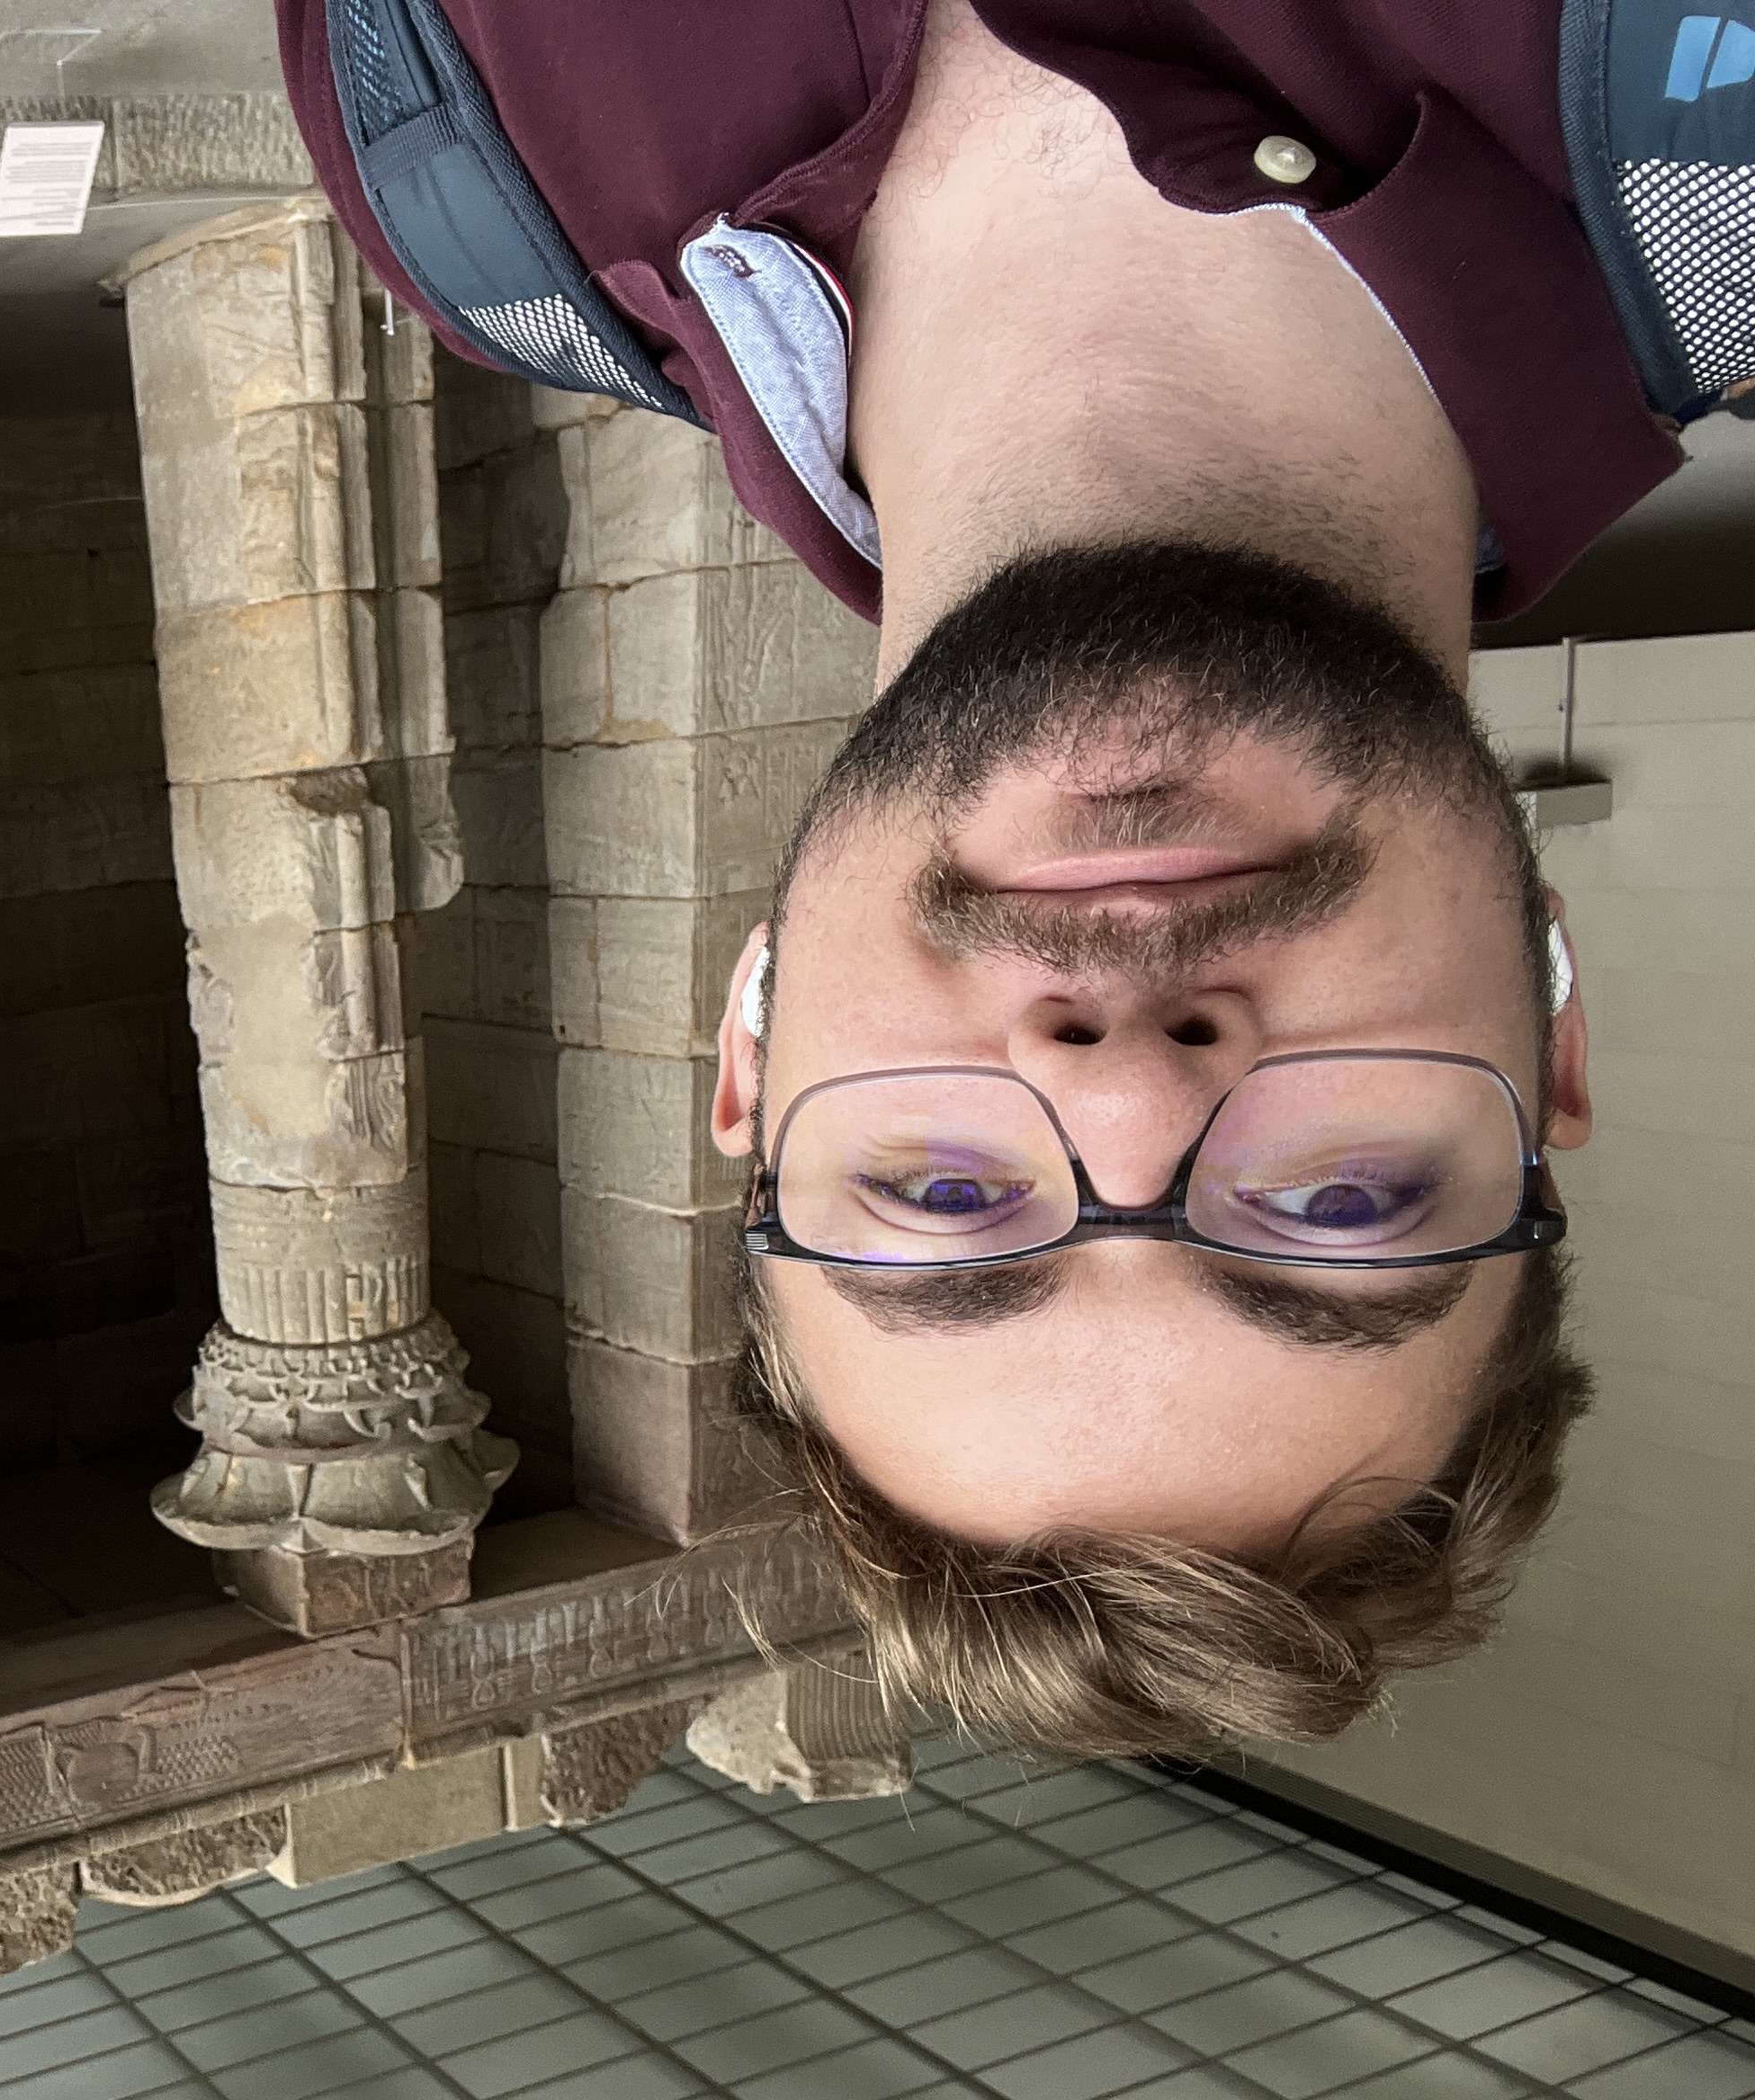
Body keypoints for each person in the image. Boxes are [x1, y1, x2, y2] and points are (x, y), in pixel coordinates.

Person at [265, 0, 1748, 1753]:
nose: (1124, 1081)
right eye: (1339, 1209)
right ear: (1555, 1027)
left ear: (749, 1040)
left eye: (947, 1205)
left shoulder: (461, 190)